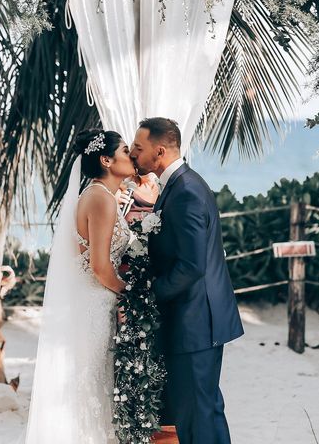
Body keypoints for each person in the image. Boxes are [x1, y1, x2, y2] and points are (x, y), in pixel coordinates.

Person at [130, 117, 244, 444]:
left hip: (197, 320)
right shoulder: (178, 186)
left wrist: (150, 297)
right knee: (194, 413)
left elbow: (192, 265)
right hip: (191, 317)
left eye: (139, 148)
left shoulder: (187, 192)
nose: (135, 153)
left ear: (160, 151)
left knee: (200, 414)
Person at [24, 129, 135, 444]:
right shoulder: (101, 198)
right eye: (126, 151)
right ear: (106, 160)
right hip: (96, 304)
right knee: (92, 385)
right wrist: (131, 294)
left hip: (90, 301)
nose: (132, 157)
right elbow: (100, 266)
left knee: (89, 384)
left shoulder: (97, 194)